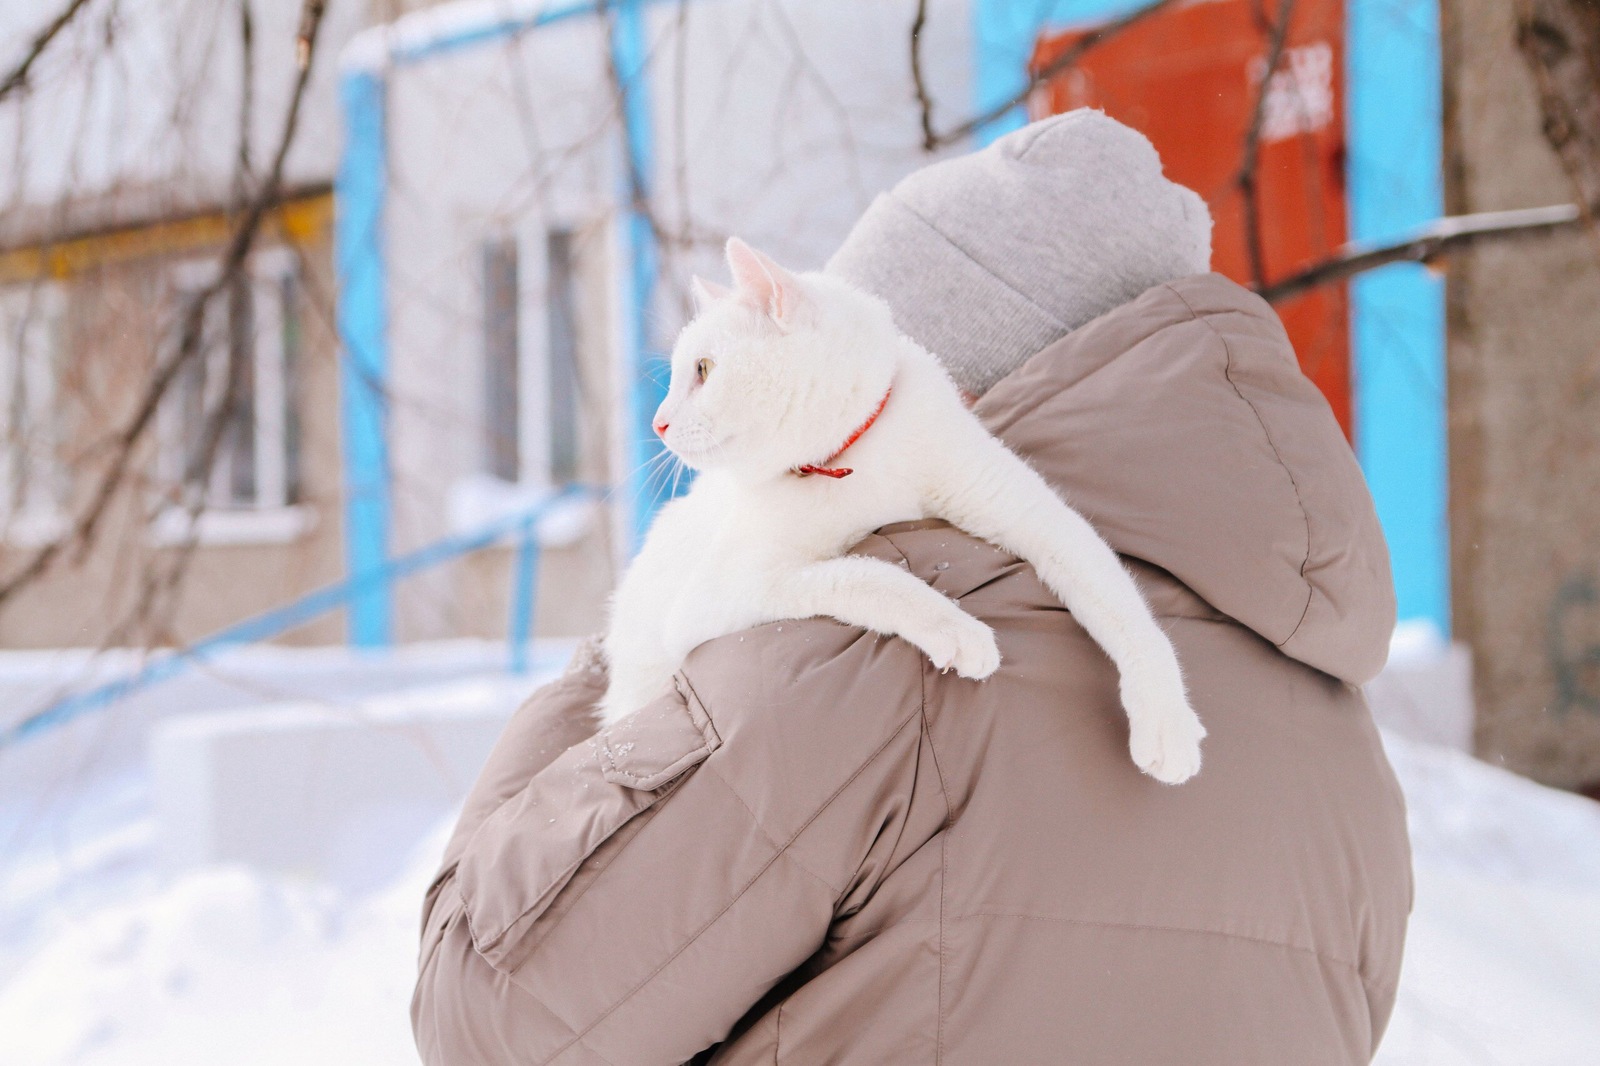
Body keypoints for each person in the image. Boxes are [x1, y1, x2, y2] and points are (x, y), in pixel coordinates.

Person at [410, 110, 1411, 1065]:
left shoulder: (867, 661)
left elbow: (490, 1011)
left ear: (950, 383)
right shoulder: (1336, 739)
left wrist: (634, 645)